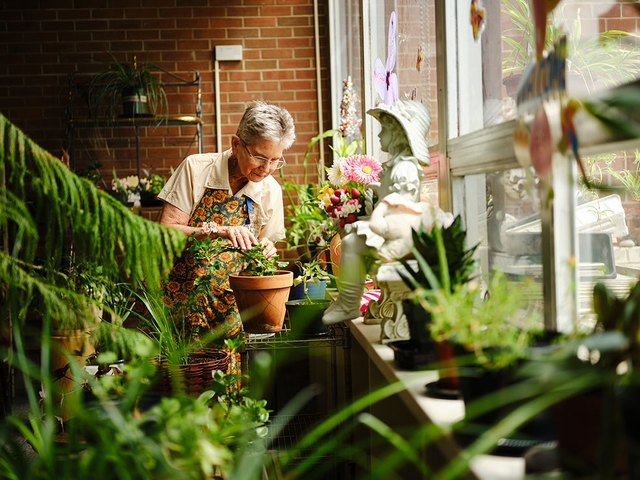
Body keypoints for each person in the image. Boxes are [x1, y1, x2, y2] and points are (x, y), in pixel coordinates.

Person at [157, 100, 295, 375]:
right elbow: (166, 230)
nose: (267, 169)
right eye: (260, 157)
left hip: (228, 310)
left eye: (276, 160)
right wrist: (217, 230)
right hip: (179, 302)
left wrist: (267, 248)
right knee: (174, 388)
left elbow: (267, 248)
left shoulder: (270, 191)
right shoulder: (196, 169)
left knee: (222, 388)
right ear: (236, 144)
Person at [322, 99, 431, 325]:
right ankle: (347, 299)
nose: (379, 136)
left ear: (399, 133)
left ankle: (349, 303)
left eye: (384, 130)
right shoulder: (396, 165)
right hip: (392, 226)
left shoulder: (405, 168)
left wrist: (373, 213)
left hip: (401, 234)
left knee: (352, 243)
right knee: (351, 233)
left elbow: (397, 206)